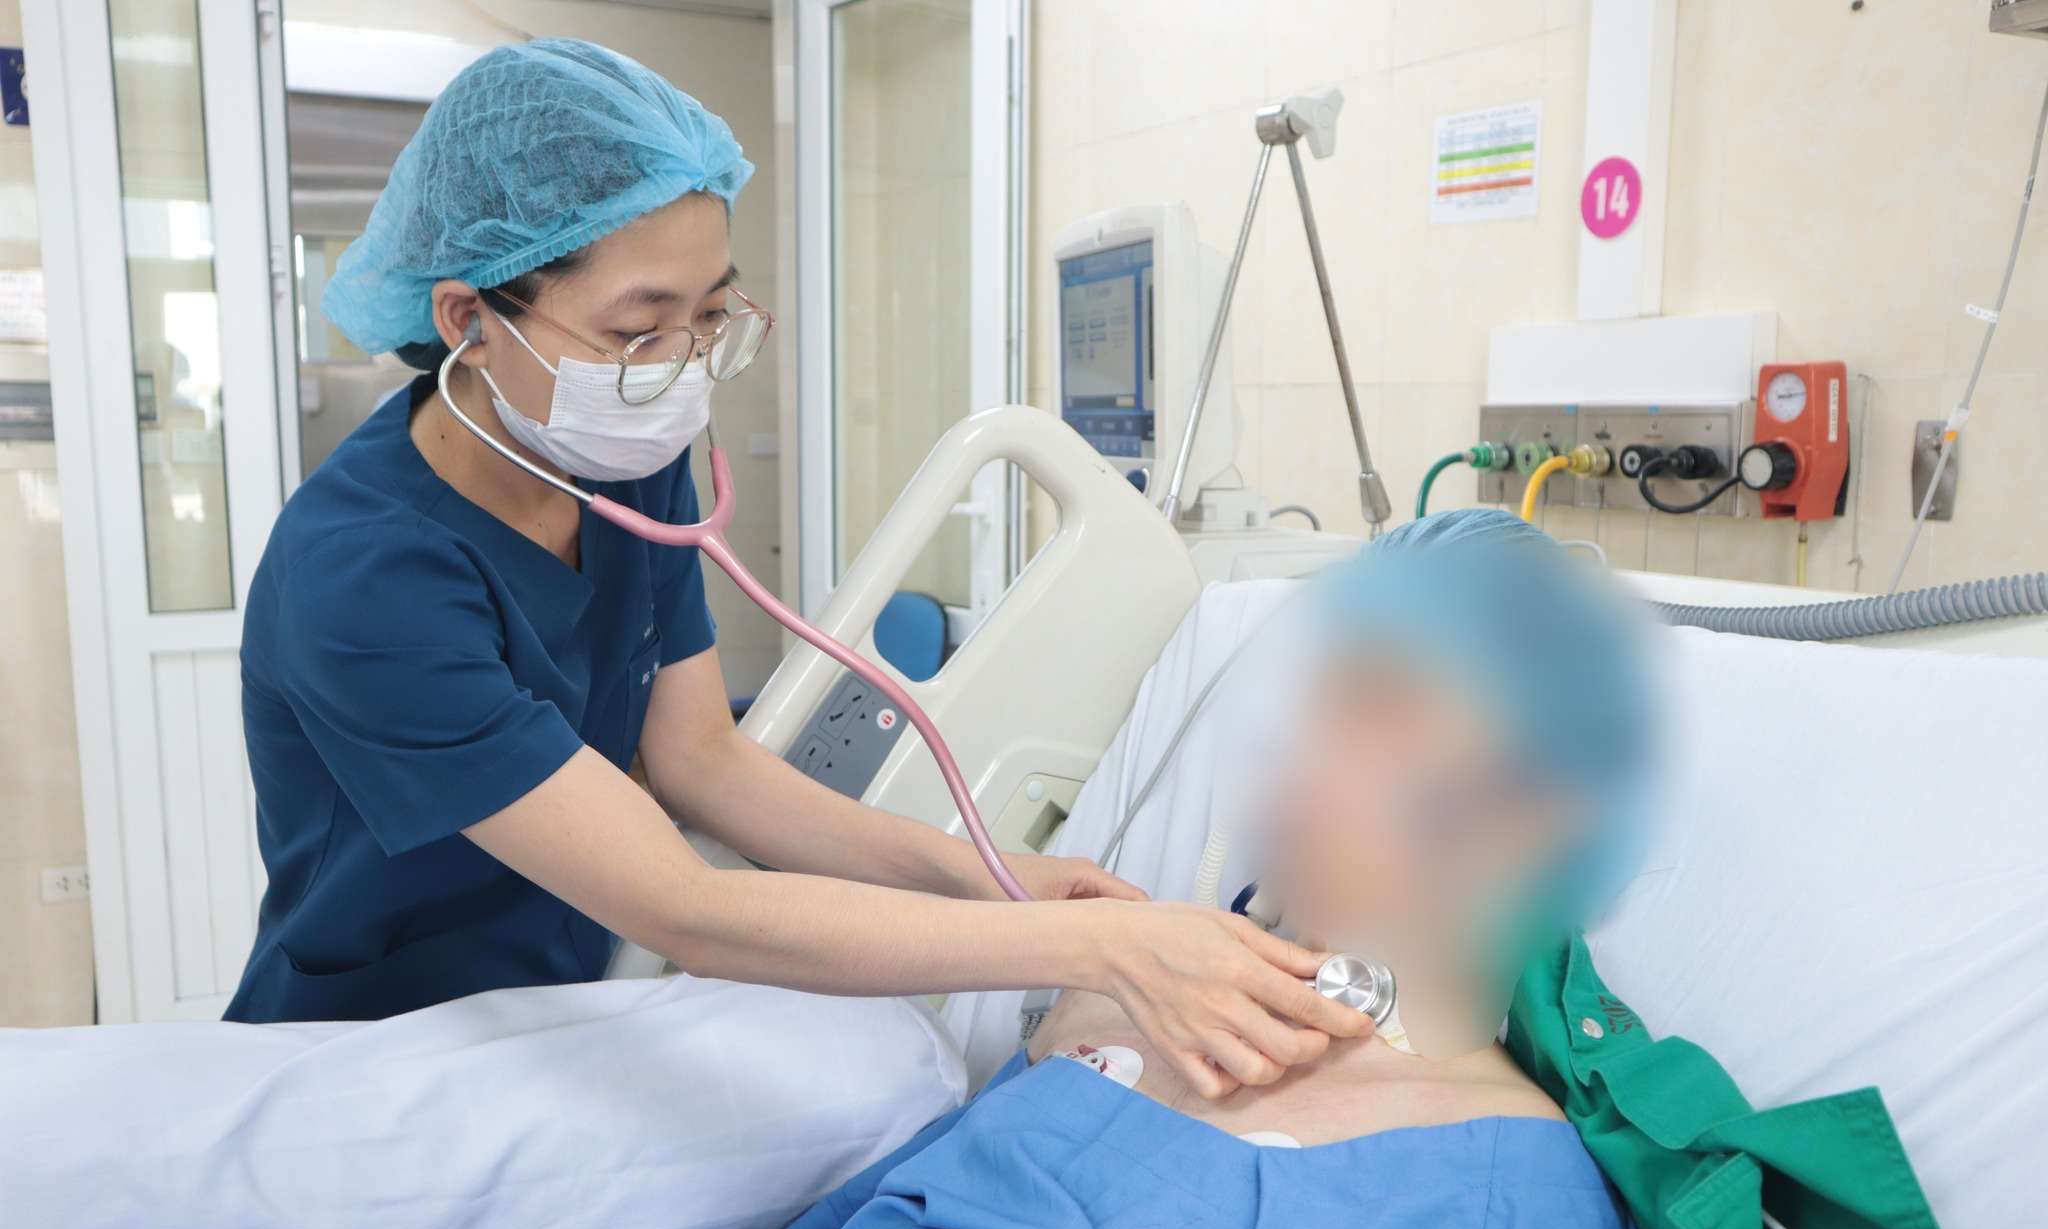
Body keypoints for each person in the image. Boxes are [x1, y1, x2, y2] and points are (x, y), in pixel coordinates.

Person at [204, 512, 1695, 1229]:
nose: (1298, 763)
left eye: (1382, 720)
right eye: (1318, 703)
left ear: (1536, 815)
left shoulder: (1499, 1199)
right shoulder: (1108, 1029)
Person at [225, 37, 1366, 1100]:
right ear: (469, 320)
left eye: (709, 315)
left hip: (562, 1015)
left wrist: (983, 872)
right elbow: (684, 907)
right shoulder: (363, 578)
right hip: (372, 1052)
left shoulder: (621, 463)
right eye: (637, 331)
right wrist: (1098, 946)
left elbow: (701, 763)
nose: (679, 370)